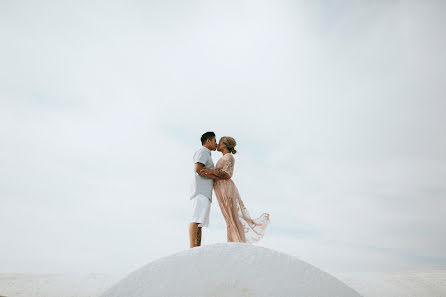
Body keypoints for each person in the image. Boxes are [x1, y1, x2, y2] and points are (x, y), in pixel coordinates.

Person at [200, 136, 270, 243]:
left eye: (220, 142)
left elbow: (227, 174)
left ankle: (237, 241)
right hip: (220, 188)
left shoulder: (229, 157)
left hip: (226, 188)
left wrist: (210, 171)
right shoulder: (224, 157)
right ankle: (235, 241)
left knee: (231, 217)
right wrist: (210, 173)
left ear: (225, 144)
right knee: (229, 217)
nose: (218, 144)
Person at [189, 131, 217, 248]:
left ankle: (197, 247)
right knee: (196, 219)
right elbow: (198, 168)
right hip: (201, 191)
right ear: (208, 141)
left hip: (205, 192)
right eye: (215, 141)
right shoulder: (203, 151)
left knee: (199, 221)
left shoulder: (207, 153)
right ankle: (192, 247)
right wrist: (216, 175)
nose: (216, 144)